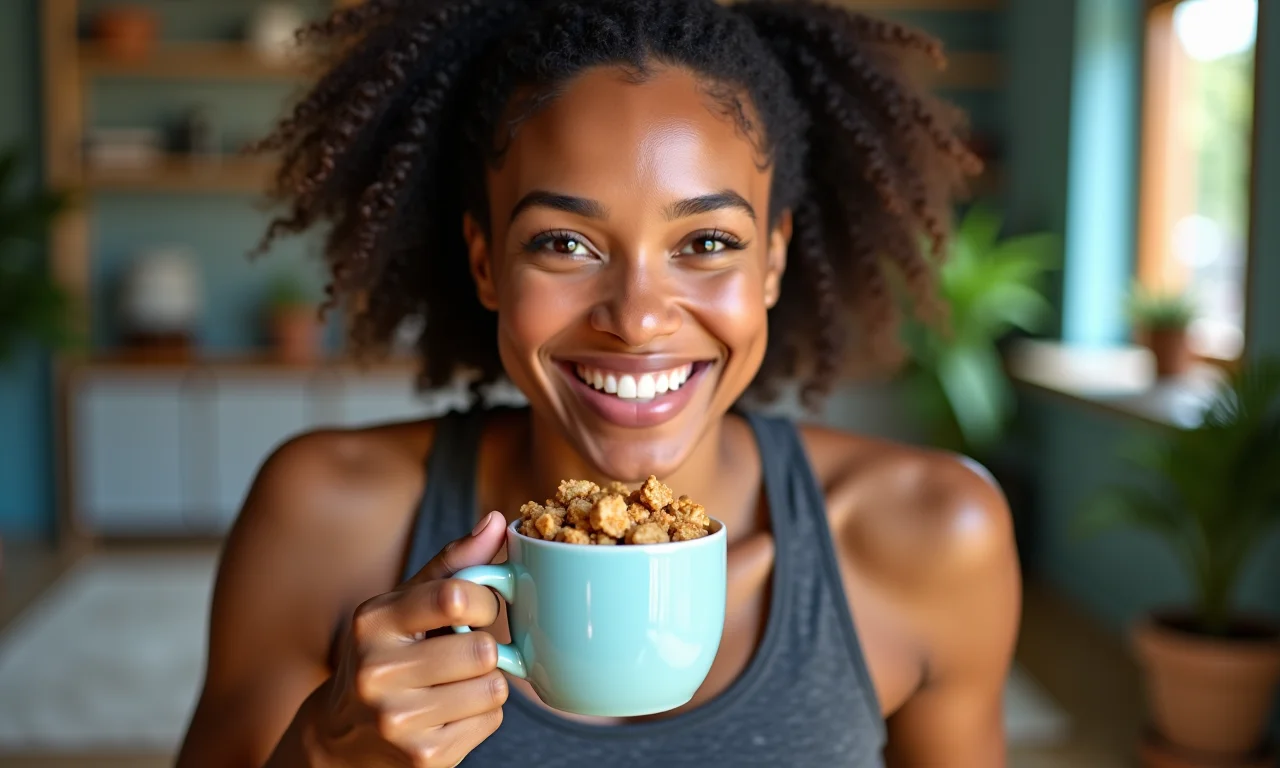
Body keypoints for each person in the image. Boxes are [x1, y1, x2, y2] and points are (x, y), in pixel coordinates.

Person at [175, 1, 1020, 766]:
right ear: (486, 264)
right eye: (564, 244)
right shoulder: (325, 517)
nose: (638, 317)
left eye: (708, 243)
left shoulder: (935, 536)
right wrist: (322, 755)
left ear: (772, 260)